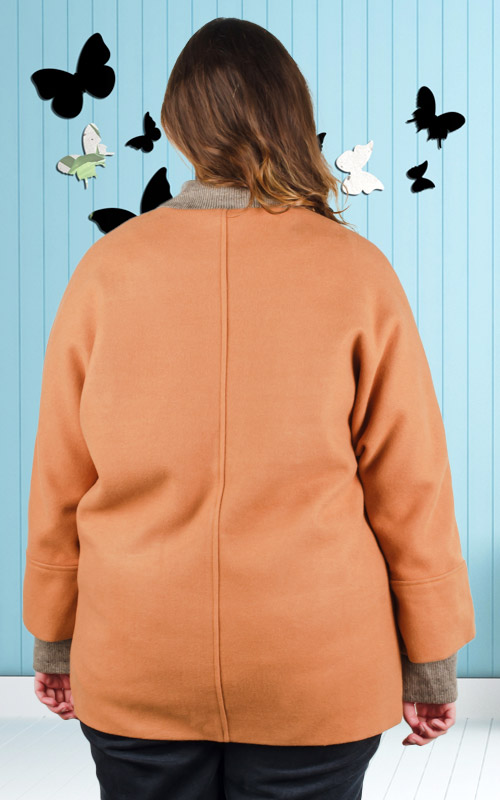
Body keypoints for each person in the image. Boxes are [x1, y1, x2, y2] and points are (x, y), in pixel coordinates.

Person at [23, 16, 475, 800]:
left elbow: (62, 477)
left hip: (137, 654)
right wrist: (431, 658)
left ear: (177, 125)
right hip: (316, 666)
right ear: (291, 115)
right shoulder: (357, 272)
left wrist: (56, 636)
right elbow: (411, 486)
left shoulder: (105, 270)